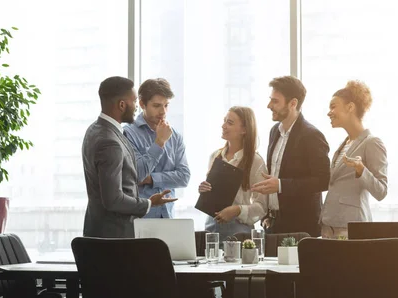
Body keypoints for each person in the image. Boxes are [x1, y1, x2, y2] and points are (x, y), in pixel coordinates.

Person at [82, 76, 176, 238]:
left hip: (99, 232)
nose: (136, 108)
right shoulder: (110, 141)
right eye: (134, 102)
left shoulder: (94, 130)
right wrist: (149, 203)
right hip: (115, 237)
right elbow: (114, 200)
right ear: (121, 105)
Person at [251, 76, 330, 237]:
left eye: (275, 101)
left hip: (301, 227)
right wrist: (267, 213)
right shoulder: (274, 132)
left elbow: (323, 180)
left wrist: (281, 185)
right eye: (270, 100)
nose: (269, 106)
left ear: (293, 103)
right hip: (273, 224)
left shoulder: (312, 135)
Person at [320, 80, 388, 239]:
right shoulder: (344, 145)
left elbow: (381, 191)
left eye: (333, 106)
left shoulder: (372, 143)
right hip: (329, 227)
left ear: (350, 107)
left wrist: (361, 170)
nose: (329, 112)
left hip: (351, 227)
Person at [198, 106, 268, 241]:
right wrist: (203, 190)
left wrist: (237, 210)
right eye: (224, 121)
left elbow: (262, 207)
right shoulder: (215, 156)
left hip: (239, 231)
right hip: (211, 227)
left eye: (230, 123)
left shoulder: (256, 161)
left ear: (244, 130)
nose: (223, 126)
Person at [123, 78, 190, 218]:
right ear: (142, 104)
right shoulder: (128, 133)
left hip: (168, 215)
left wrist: (151, 179)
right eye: (157, 105)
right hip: (141, 217)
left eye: (166, 105)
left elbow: (184, 177)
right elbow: (138, 173)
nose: (163, 111)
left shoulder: (175, 136)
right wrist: (159, 142)